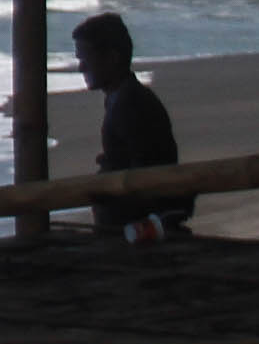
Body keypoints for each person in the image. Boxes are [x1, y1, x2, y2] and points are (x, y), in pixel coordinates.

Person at [72, 12, 193, 241]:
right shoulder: (122, 98)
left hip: (133, 232)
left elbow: (147, 175)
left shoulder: (131, 103)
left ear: (111, 58)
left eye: (86, 58)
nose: (81, 68)